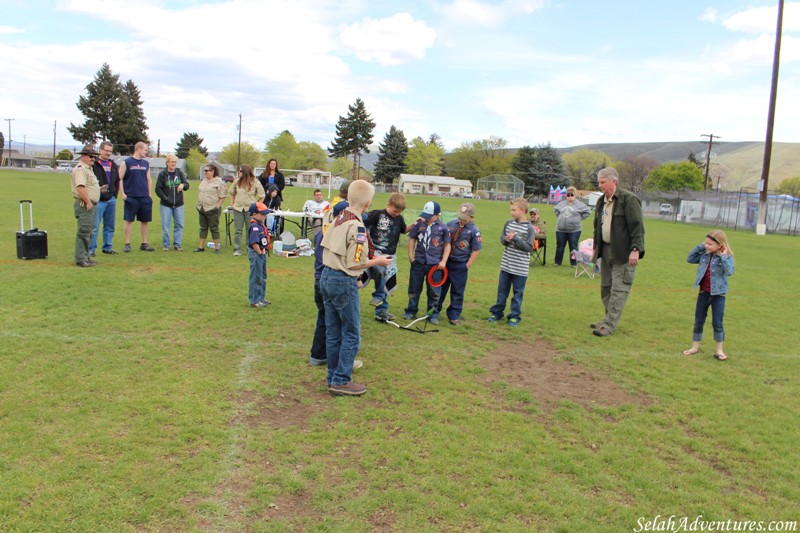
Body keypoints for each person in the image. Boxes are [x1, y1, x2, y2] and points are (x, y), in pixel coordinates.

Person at [320, 180, 392, 396]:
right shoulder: (357, 226)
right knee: (352, 333)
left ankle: (333, 376)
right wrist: (377, 261)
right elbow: (354, 263)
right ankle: (341, 380)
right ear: (368, 202)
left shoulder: (339, 216)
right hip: (342, 280)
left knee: (333, 332)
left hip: (326, 276)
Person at [591, 167, 645, 337]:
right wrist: (596, 248)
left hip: (624, 253)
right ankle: (608, 320)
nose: (600, 185)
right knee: (606, 287)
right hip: (606, 250)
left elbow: (637, 227)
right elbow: (597, 226)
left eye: (603, 182)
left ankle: (608, 325)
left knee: (619, 290)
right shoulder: (601, 201)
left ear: (614, 181)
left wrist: (635, 250)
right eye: (599, 182)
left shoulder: (629, 200)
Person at [682, 230, 735, 361]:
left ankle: (719, 350)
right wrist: (701, 246)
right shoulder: (704, 255)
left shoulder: (726, 257)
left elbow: (729, 271)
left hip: (718, 295)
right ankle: (694, 347)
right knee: (699, 321)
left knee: (717, 322)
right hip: (703, 294)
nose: (706, 246)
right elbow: (690, 258)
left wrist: (723, 256)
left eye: (710, 244)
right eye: (705, 243)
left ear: (720, 245)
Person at [488, 198, 535, 326]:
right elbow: (502, 240)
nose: (511, 212)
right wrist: (507, 239)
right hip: (506, 265)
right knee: (502, 291)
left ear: (522, 211)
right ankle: (496, 313)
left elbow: (529, 248)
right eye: (511, 210)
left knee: (517, 293)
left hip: (520, 269)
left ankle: (514, 316)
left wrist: (516, 238)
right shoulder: (508, 223)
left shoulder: (530, 228)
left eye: (514, 210)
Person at [364, 192, 410, 322]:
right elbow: (362, 220)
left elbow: (404, 230)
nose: (397, 214)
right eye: (395, 210)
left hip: (390, 255)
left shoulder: (399, 219)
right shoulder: (377, 214)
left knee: (386, 281)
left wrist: (415, 225)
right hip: (375, 252)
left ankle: (381, 311)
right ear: (388, 205)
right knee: (379, 269)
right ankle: (378, 296)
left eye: (399, 212)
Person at [404, 201, 451, 325]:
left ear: (437, 215)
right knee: (414, 288)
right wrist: (411, 257)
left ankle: (432, 314)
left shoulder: (443, 228)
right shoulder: (419, 224)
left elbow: (447, 245)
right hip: (418, 262)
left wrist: (444, 261)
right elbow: (412, 239)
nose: (426, 218)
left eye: (429, 216)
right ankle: (411, 310)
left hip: (434, 265)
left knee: (434, 291)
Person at [438, 202, 482, 326]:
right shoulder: (451, 224)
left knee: (457, 291)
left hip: (460, 265)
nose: (461, 220)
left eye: (464, 218)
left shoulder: (474, 231)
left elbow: (476, 249)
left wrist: (468, 265)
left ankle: (454, 315)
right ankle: (434, 310)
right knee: (440, 288)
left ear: (471, 218)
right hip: (446, 262)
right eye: (459, 217)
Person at [118, 141, 154, 252]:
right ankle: (127, 243)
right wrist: (123, 194)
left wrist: (149, 195)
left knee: (144, 221)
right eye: (145, 150)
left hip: (144, 197)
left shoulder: (145, 164)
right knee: (129, 220)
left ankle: (144, 243)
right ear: (138, 149)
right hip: (131, 197)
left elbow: (148, 179)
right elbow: (120, 178)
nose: (146, 152)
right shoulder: (126, 162)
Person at [71, 145, 101, 267]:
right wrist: (88, 202)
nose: (93, 159)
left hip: (90, 204)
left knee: (89, 232)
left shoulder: (88, 169)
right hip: (85, 204)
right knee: (84, 231)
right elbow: (80, 187)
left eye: (94, 157)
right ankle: (80, 258)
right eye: (91, 156)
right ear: (83, 156)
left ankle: (86, 256)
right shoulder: (80, 169)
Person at [88, 141, 120, 256]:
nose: (108, 153)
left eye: (110, 151)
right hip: (98, 200)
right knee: (95, 226)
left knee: (110, 226)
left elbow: (117, 180)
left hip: (111, 199)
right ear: (100, 150)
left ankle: (107, 246)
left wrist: (114, 195)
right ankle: (91, 249)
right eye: (106, 150)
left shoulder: (113, 165)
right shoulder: (94, 164)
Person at [155, 154, 190, 252]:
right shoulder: (162, 174)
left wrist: (183, 185)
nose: (173, 164)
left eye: (175, 162)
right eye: (171, 162)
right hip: (166, 204)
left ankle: (177, 244)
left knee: (179, 224)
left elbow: (187, 185)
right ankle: (166, 245)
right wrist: (166, 198)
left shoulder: (179, 173)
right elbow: (158, 189)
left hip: (179, 204)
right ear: (167, 163)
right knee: (166, 225)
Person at [229, 165, 265, 256]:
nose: (239, 172)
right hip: (238, 208)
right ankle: (237, 249)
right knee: (238, 230)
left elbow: (262, 196)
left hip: (250, 209)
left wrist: (257, 206)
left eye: (241, 171)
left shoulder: (255, 182)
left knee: (250, 229)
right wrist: (232, 204)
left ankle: (250, 248)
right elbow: (232, 193)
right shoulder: (236, 181)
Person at [553, 186, 591, 267]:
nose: (570, 196)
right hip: (560, 230)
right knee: (560, 246)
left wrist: (579, 218)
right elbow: (556, 210)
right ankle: (557, 262)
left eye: (572, 195)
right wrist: (560, 217)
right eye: (568, 195)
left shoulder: (580, 205)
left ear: (575, 195)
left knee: (573, 247)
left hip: (574, 230)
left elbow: (588, 212)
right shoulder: (562, 204)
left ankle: (574, 263)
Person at [194, 165, 228, 253]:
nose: (205, 172)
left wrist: (218, 206)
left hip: (212, 208)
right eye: (204, 170)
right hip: (202, 207)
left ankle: (217, 248)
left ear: (213, 171)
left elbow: (223, 195)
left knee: (214, 228)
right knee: (203, 227)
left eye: (207, 171)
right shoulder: (204, 181)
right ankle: (201, 247)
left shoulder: (219, 182)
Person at [246, 202, 272, 308]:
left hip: (262, 253)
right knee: (256, 277)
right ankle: (254, 300)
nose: (264, 216)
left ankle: (261, 298)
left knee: (262, 276)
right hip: (257, 254)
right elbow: (254, 242)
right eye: (262, 214)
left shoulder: (261, 225)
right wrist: (259, 252)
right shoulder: (254, 227)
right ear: (254, 214)